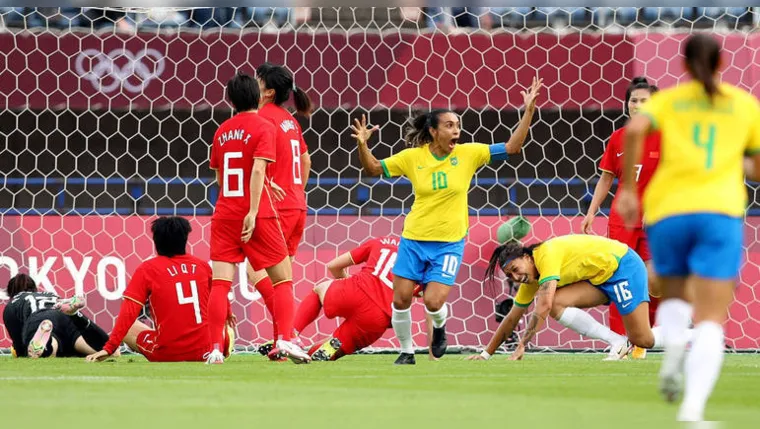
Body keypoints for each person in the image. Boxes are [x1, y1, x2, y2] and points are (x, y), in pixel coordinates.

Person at [616, 33, 760, 422]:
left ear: (683, 65)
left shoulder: (668, 102)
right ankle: (692, 409)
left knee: (674, 295)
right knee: (712, 316)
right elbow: (758, 167)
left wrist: (628, 189)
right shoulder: (745, 105)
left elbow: (632, 131)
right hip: (719, 211)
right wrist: (738, 164)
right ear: (722, 64)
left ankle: (672, 354)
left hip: (669, 211)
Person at [352, 77, 543, 364]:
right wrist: (363, 145)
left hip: (449, 243)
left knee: (433, 301)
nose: (457, 131)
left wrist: (528, 111)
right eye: (450, 126)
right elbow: (373, 169)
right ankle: (406, 352)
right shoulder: (412, 157)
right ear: (433, 131)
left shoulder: (469, 153)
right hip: (414, 239)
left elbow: (513, 147)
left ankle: (439, 328)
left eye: (458, 126)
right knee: (401, 299)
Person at [206, 72, 310, 364]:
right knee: (284, 280)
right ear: (257, 95)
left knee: (220, 284)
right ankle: (286, 339)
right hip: (261, 212)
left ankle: (215, 348)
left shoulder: (222, 130)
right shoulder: (266, 126)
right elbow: (257, 170)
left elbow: (219, 176)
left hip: (225, 212)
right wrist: (253, 209)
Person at [467, 235, 690, 362]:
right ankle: (617, 342)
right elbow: (512, 317)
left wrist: (522, 345)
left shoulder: (546, 254)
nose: (516, 277)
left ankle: (696, 331)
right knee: (555, 303)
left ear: (527, 256)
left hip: (623, 267)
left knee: (644, 340)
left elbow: (542, 304)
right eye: (509, 276)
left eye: (516, 269)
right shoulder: (530, 279)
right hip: (599, 279)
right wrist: (486, 354)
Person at [581, 76, 661, 359]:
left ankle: (645, 337)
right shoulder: (618, 138)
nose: (638, 105)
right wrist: (591, 212)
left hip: (656, 222)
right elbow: (606, 178)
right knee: (620, 281)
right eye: (634, 100)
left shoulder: (667, 136)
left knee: (654, 283)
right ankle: (621, 343)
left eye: (644, 101)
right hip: (621, 220)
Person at [86, 216, 231, 363]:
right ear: (185, 239)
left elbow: (128, 312)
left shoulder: (147, 269)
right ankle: (223, 343)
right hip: (207, 351)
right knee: (220, 325)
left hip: (168, 354)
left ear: (155, 240)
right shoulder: (203, 267)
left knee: (129, 328)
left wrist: (109, 348)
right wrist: (229, 313)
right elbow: (220, 295)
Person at [246, 62, 312, 357]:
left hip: (278, 207)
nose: (253, 85)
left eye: (258, 82)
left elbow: (255, 163)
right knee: (281, 276)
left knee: (255, 270)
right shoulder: (289, 120)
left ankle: (289, 334)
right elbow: (307, 161)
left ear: (269, 91)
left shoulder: (262, 117)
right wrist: (297, 190)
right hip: (297, 205)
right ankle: (281, 342)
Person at [291, 236, 430, 361]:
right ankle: (323, 349)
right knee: (332, 345)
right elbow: (418, 295)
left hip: (355, 290)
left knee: (319, 289)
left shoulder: (381, 242)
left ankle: (291, 335)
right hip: (378, 318)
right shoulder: (424, 261)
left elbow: (333, 266)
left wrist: (347, 285)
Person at [3, 273, 108, 358]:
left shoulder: (13, 303)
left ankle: (48, 346)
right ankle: (107, 348)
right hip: (64, 316)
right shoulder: (50, 294)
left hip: (39, 319)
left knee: (41, 350)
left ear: (11, 293)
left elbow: (20, 346)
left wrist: (19, 351)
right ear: (34, 288)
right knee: (99, 349)